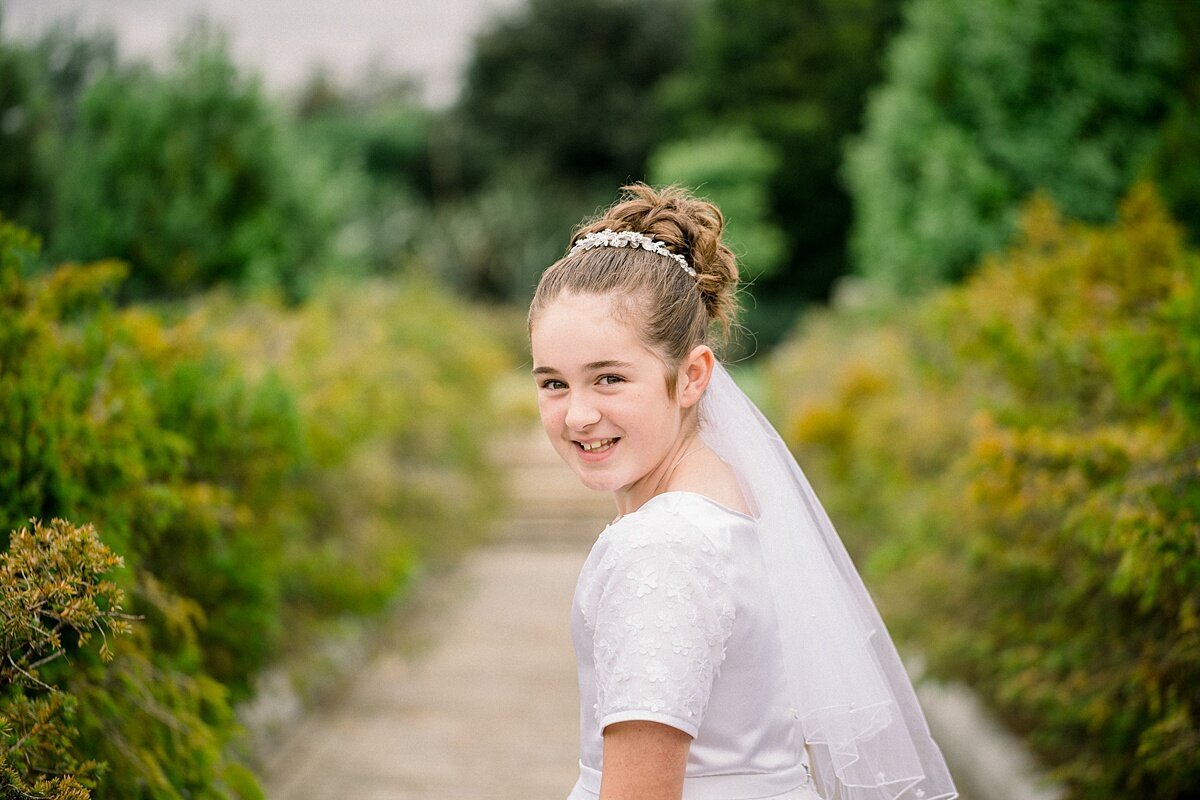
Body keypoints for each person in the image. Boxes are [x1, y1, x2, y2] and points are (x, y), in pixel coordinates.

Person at [528, 184, 957, 800]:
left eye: (610, 378)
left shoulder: (660, 547)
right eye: (553, 383)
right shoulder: (732, 506)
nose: (577, 415)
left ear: (692, 376)